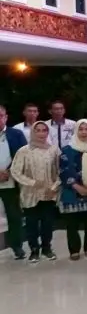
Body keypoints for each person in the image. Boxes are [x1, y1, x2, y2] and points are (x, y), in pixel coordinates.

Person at [10, 121, 60, 263]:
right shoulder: (24, 151)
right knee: (31, 224)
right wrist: (32, 183)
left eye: (44, 130)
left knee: (47, 224)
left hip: (48, 194)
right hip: (30, 194)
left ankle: (47, 248)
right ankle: (34, 250)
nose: (41, 133)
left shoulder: (54, 150)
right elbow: (15, 171)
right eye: (38, 130)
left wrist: (54, 187)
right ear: (33, 132)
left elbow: (60, 171)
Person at [58, 119, 87, 260]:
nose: (84, 132)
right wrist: (77, 187)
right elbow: (63, 171)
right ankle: (74, 250)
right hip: (72, 192)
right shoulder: (66, 150)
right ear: (76, 131)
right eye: (81, 129)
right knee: (72, 224)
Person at [0, 105, 29, 259]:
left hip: (11, 181)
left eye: (0, 115)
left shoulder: (16, 134)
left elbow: (24, 156)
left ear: (6, 117)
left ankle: (16, 247)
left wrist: (9, 172)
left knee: (14, 216)